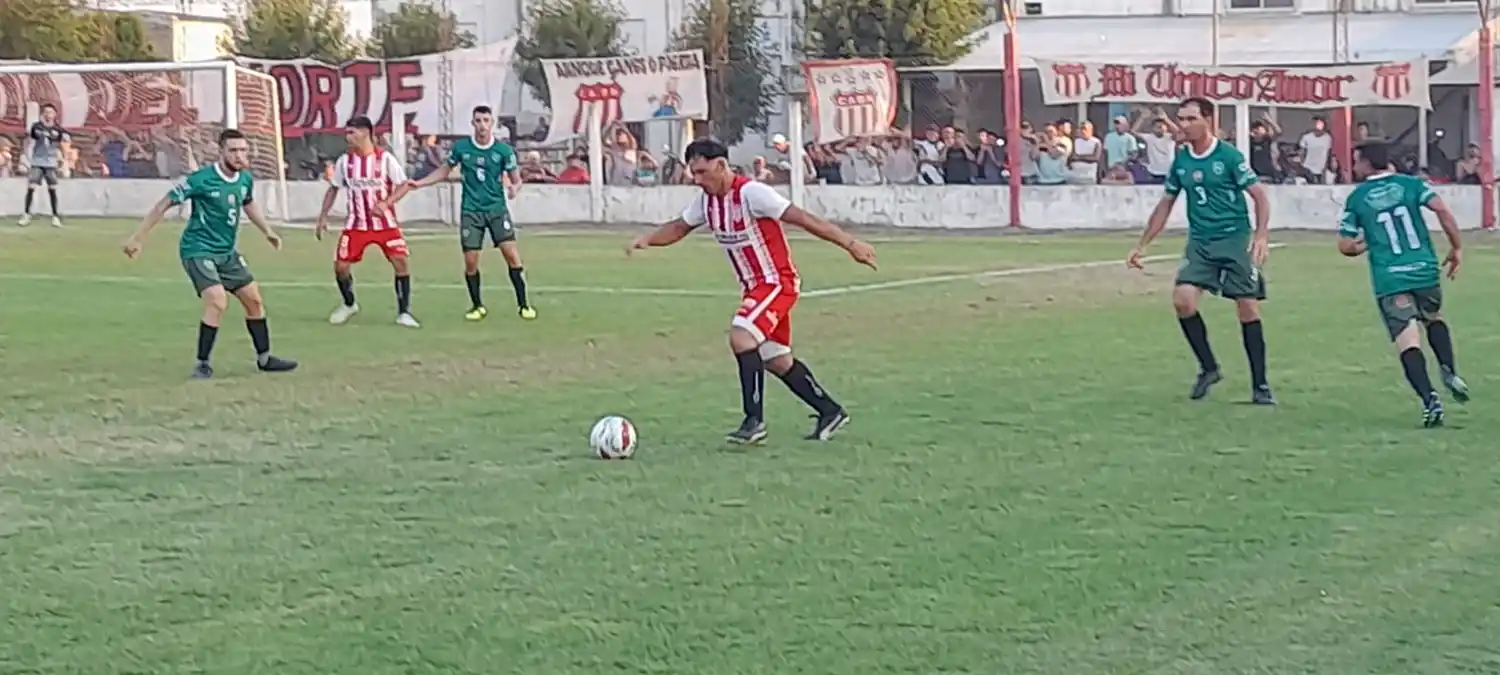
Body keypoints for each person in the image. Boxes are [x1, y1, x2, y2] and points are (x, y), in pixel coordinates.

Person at [626, 138, 878, 444]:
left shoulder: (752, 193)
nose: (698, 179)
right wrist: (649, 239)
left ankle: (753, 421)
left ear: (721, 165)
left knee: (741, 336)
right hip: (754, 289)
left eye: (703, 172)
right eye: (694, 173)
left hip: (776, 283)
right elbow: (680, 227)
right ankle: (830, 410)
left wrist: (851, 244)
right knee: (775, 358)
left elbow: (804, 219)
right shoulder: (706, 202)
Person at [1127, 97, 1275, 404]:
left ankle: (1260, 385)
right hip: (1201, 242)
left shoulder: (1229, 156)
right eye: (1181, 118)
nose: (1183, 124)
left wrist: (1260, 236)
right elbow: (1165, 204)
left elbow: (1259, 196)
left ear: (1208, 119)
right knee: (1183, 302)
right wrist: (1142, 245)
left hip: (1234, 239)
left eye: (1190, 118)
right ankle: (1209, 368)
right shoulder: (1181, 159)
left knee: (1247, 308)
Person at [121, 129, 298, 379]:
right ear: (221, 152)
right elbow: (164, 203)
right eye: (233, 150)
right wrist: (138, 238)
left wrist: (267, 231)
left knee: (254, 301)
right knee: (217, 301)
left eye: (243, 150)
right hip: (197, 249)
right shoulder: (201, 179)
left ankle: (265, 359)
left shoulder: (244, 179)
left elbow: (247, 203)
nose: (239, 156)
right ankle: (202, 363)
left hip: (226, 252)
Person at [1337, 140, 1469, 427]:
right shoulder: (1412, 185)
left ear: (1368, 164)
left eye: (1357, 160)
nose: (1354, 165)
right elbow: (1443, 211)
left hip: (1391, 277)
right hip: (1424, 269)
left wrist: (1364, 245)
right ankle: (1449, 371)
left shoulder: (1358, 198)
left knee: (1407, 340)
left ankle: (1429, 399)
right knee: (1433, 318)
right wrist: (1456, 247)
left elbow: (1345, 245)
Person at [382, 105, 534, 321]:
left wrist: (514, 188)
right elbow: (444, 171)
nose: (482, 125)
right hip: (471, 211)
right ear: (473, 123)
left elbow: (516, 179)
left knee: (511, 255)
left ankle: (523, 304)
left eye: (486, 120)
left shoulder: (503, 151)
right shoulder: (462, 148)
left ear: (492, 124)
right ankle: (477, 306)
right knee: (471, 261)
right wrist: (421, 183)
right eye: (478, 120)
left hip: (496, 210)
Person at [315, 116, 419, 328]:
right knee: (341, 267)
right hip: (356, 224)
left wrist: (386, 203)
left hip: (385, 224)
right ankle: (349, 304)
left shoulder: (385, 159)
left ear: (365, 133)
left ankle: (404, 312)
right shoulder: (345, 161)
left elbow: (404, 185)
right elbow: (334, 187)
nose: (348, 137)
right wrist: (323, 216)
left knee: (401, 263)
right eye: (347, 132)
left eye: (351, 132)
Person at [20, 103, 68, 227]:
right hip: (37, 161)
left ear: (55, 114)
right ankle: (26, 214)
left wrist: (64, 160)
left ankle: (55, 216)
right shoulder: (36, 127)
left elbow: (61, 145)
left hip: (51, 163)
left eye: (50, 112)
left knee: (52, 189)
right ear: (42, 114)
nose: (48, 114)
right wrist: (26, 155)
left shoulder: (58, 129)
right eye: (46, 112)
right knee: (31, 187)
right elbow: (28, 140)